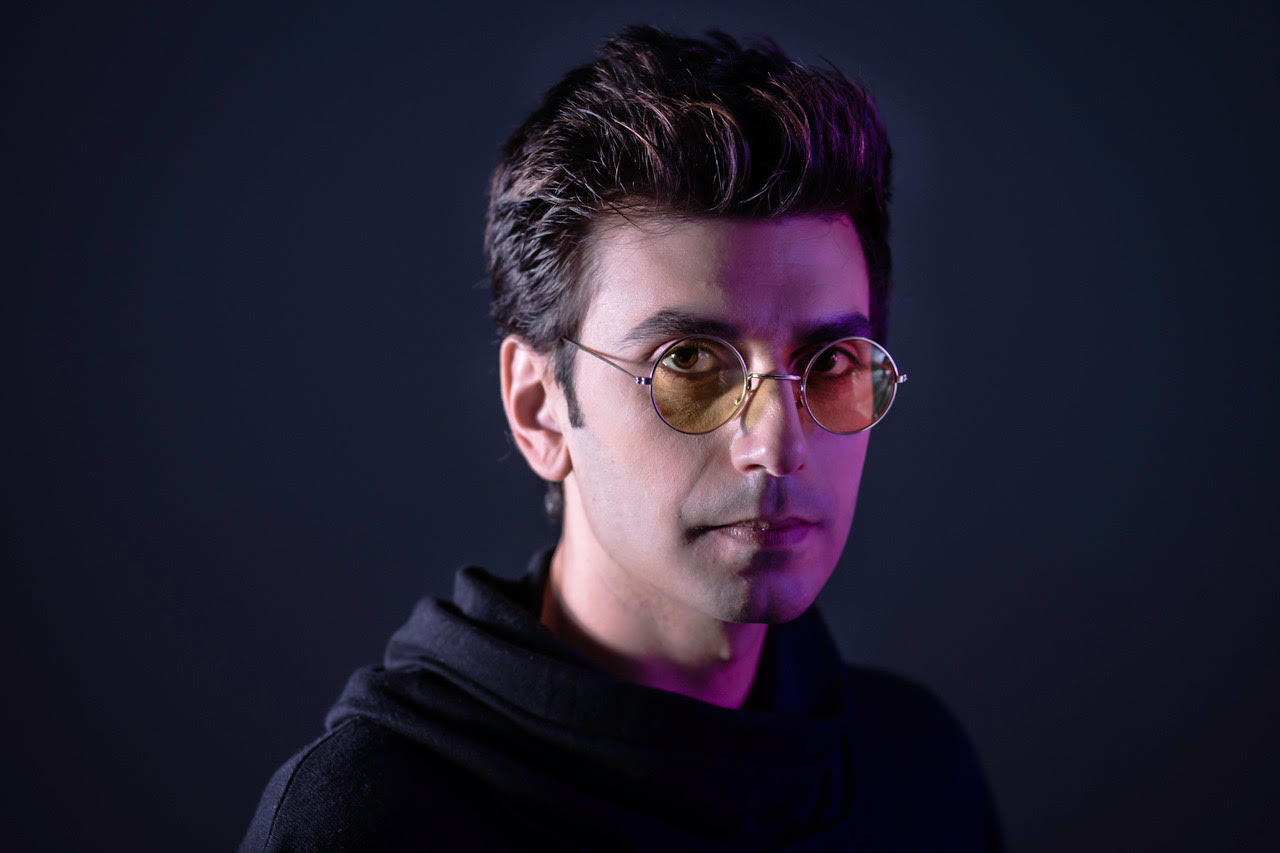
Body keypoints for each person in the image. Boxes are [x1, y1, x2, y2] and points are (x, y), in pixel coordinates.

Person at [241, 25, 1002, 852]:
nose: (779, 446)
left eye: (831, 362)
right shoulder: (369, 822)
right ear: (539, 407)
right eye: (689, 362)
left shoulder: (916, 770)